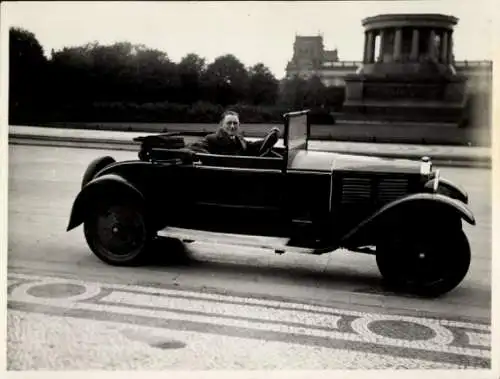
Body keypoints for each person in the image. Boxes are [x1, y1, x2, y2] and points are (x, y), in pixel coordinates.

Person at [188, 110, 280, 156]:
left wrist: (270, 138)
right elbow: (194, 147)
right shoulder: (211, 138)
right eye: (229, 123)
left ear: (239, 125)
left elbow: (252, 146)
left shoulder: (239, 139)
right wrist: (212, 159)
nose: (232, 126)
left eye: (235, 123)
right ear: (222, 125)